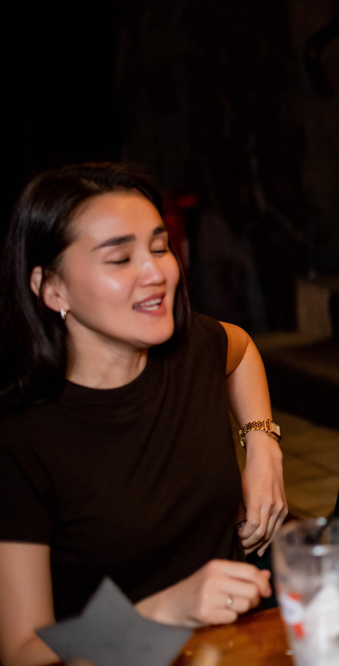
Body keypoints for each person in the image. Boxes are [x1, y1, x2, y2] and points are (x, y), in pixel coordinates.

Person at [0, 164, 286, 666]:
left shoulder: (190, 348)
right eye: (120, 258)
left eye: (159, 247)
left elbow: (241, 351)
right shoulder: (20, 439)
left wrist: (263, 446)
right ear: (51, 288)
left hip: (238, 648)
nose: (156, 273)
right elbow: (21, 652)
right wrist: (163, 611)